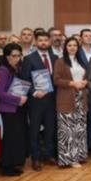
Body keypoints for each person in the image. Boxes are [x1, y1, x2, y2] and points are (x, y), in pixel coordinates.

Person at [21, 31, 58, 171]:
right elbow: (25, 80)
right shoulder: (29, 59)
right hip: (36, 101)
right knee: (35, 130)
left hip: (52, 100)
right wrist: (34, 92)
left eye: (45, 40)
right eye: (40, 40)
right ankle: (35, 158)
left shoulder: (55, 58)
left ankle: (48, 155)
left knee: (50, 129)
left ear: (49, 42)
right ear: (36, 42)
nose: (43, 42)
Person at [53, 38, 88, 167]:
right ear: (65, 47)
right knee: (67, 130)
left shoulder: (81, 61)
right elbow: (56, 80)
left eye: (75, 45)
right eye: (69, 45)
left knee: (80, 129)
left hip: (81, 99)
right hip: (66, 99)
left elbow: (87, 77)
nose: (72, 47)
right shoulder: (60, 61)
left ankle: (80, 156)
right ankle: (69, 160)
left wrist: (85, 82)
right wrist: (72, 83)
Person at [0, 43, 29, 175]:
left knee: (17, 137)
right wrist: (18, 99)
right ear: (6, 56)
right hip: (8, 109)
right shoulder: (3, 70)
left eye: (19, 55)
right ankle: (6, 166)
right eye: (13, 56)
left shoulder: (17, 68)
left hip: (18, 108)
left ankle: (14, 163)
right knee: (9, 138)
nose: (16, 58)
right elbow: (0, 92)